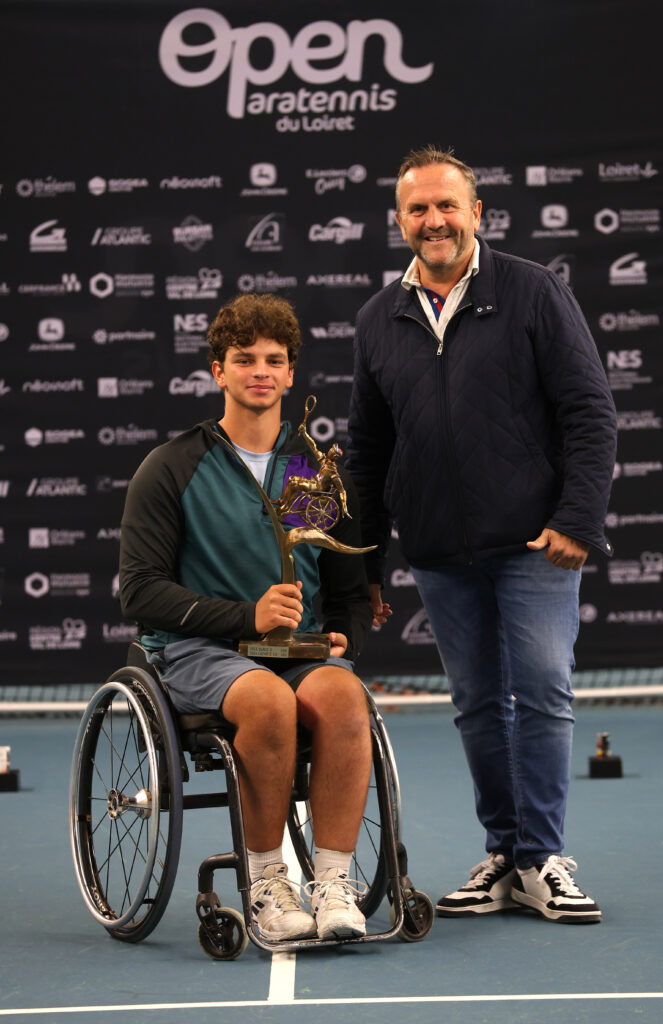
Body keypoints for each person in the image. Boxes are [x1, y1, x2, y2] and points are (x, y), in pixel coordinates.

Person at [347, 146, 618, 924]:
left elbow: (589, 412)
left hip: (534, 544)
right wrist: (365, 565)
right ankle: (505, 853)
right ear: (399, 221)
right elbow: (367, 451)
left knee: (541, 694)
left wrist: (575, 519)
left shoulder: (532, 290)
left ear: (475, 213)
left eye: (446, 205)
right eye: (418, 209)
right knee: (474, 705)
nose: (433, 220)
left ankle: (541, 857)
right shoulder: (377, 318)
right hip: (438, 551)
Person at [119, 293, 373, 942]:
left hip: (291, 652)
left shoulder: (311, 472)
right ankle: (266, 884)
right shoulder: (173, 466)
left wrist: (344, 636)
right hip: (197, 651)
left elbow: (347, 592)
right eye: (244, 359)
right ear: (218, 371)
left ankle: (333, 884)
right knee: (266, 700)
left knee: (346, 696)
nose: (260, 370)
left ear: (290, 375)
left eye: (274, 360)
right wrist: (246, 616)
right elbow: (140, 592)